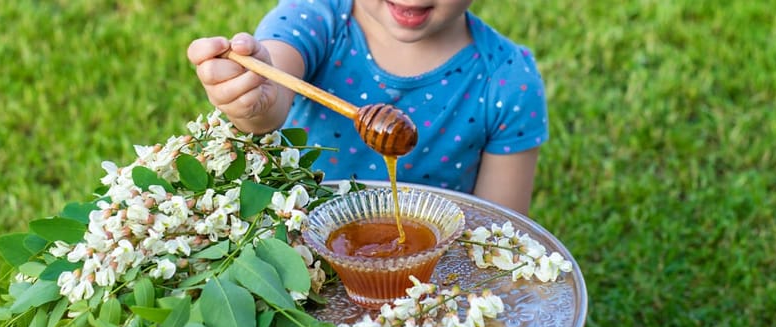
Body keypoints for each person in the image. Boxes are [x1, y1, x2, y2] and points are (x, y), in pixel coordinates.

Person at [187, 0, 548, 215]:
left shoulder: (508, 81)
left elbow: (499, 234)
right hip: (301, 254)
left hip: (431, 277)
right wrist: (255, 101)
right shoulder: (316, 17)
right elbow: (274, 87)